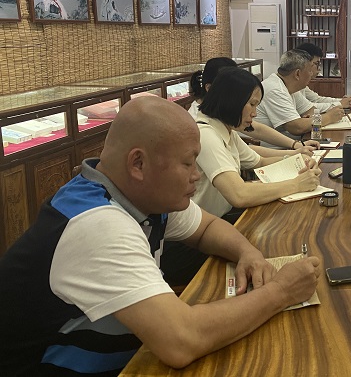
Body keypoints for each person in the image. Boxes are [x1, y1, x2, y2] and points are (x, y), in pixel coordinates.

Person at [0, 96, 320, 376]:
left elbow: (207, 228)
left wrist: (248, 253)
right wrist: (281, 291)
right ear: (138, 163)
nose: (197, 175)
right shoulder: (97, 224)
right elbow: (181, 341)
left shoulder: (140, 194)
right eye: (188, 163)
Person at [161, 67, 322, 285]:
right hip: (191, 241)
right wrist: (296, 184)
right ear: (232, 101)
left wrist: (297, 161)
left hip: (215, 224)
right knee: (274, 245)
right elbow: (239, 195)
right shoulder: (207, 135)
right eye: (252, 105)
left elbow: (259, 161)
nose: (255, 113)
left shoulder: (225, 129)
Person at [189, 57, 319, 153]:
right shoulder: (201, 127)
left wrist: (295, 146)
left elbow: (256, 132)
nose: (254, 113)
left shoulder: (224, 116)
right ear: (209, 88)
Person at [255, 50, 345, 139]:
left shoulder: (289, 86)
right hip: (274, 146)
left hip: (292, 142)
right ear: (297, 74)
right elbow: (297, 127)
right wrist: (328, 117)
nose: (311, 74)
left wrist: (309, 120)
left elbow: (310, 110)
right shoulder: (275, 90)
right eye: (309, 70)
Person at [295, 42, 351, 110]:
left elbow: (317, 99)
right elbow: (308, 108)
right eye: (316, 64)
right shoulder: (292, 86)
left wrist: (344, 101)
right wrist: (340, 104)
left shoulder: (301, 84)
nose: (319, 68)